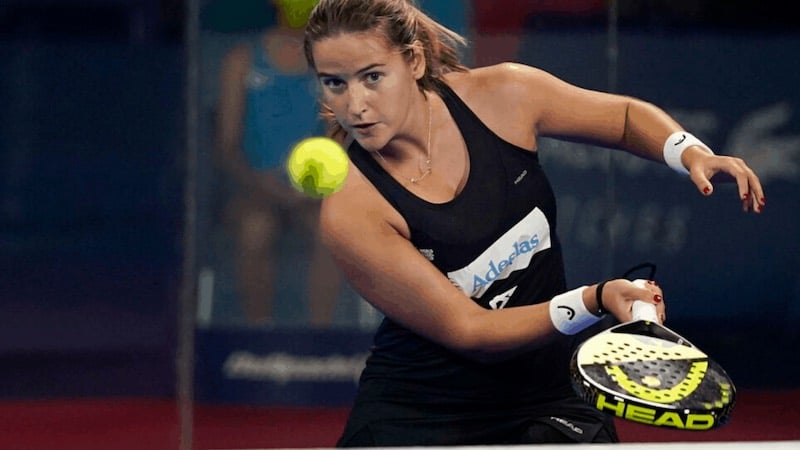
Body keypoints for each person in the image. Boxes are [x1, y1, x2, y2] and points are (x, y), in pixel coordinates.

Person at [301, 0, 765, 445]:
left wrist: (690, 152)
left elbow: (622, 118)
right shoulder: (352, 208)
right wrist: (596, 298)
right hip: (422, 410)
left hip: (548, 393)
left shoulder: (504, 95)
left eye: (373, 77)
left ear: (415, 62)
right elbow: (471, 330)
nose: (355, 104)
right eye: (335, 83)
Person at [214, 0, 341, 327]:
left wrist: (315, 188)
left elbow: (337, 139)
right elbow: (226, 147)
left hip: (311, 193)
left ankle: (320, 340)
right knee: (256, 230)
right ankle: (260, 338)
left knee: (332, 234)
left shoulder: (329, 62)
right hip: (255, 189)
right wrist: (261, 184)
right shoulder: (242, 60)